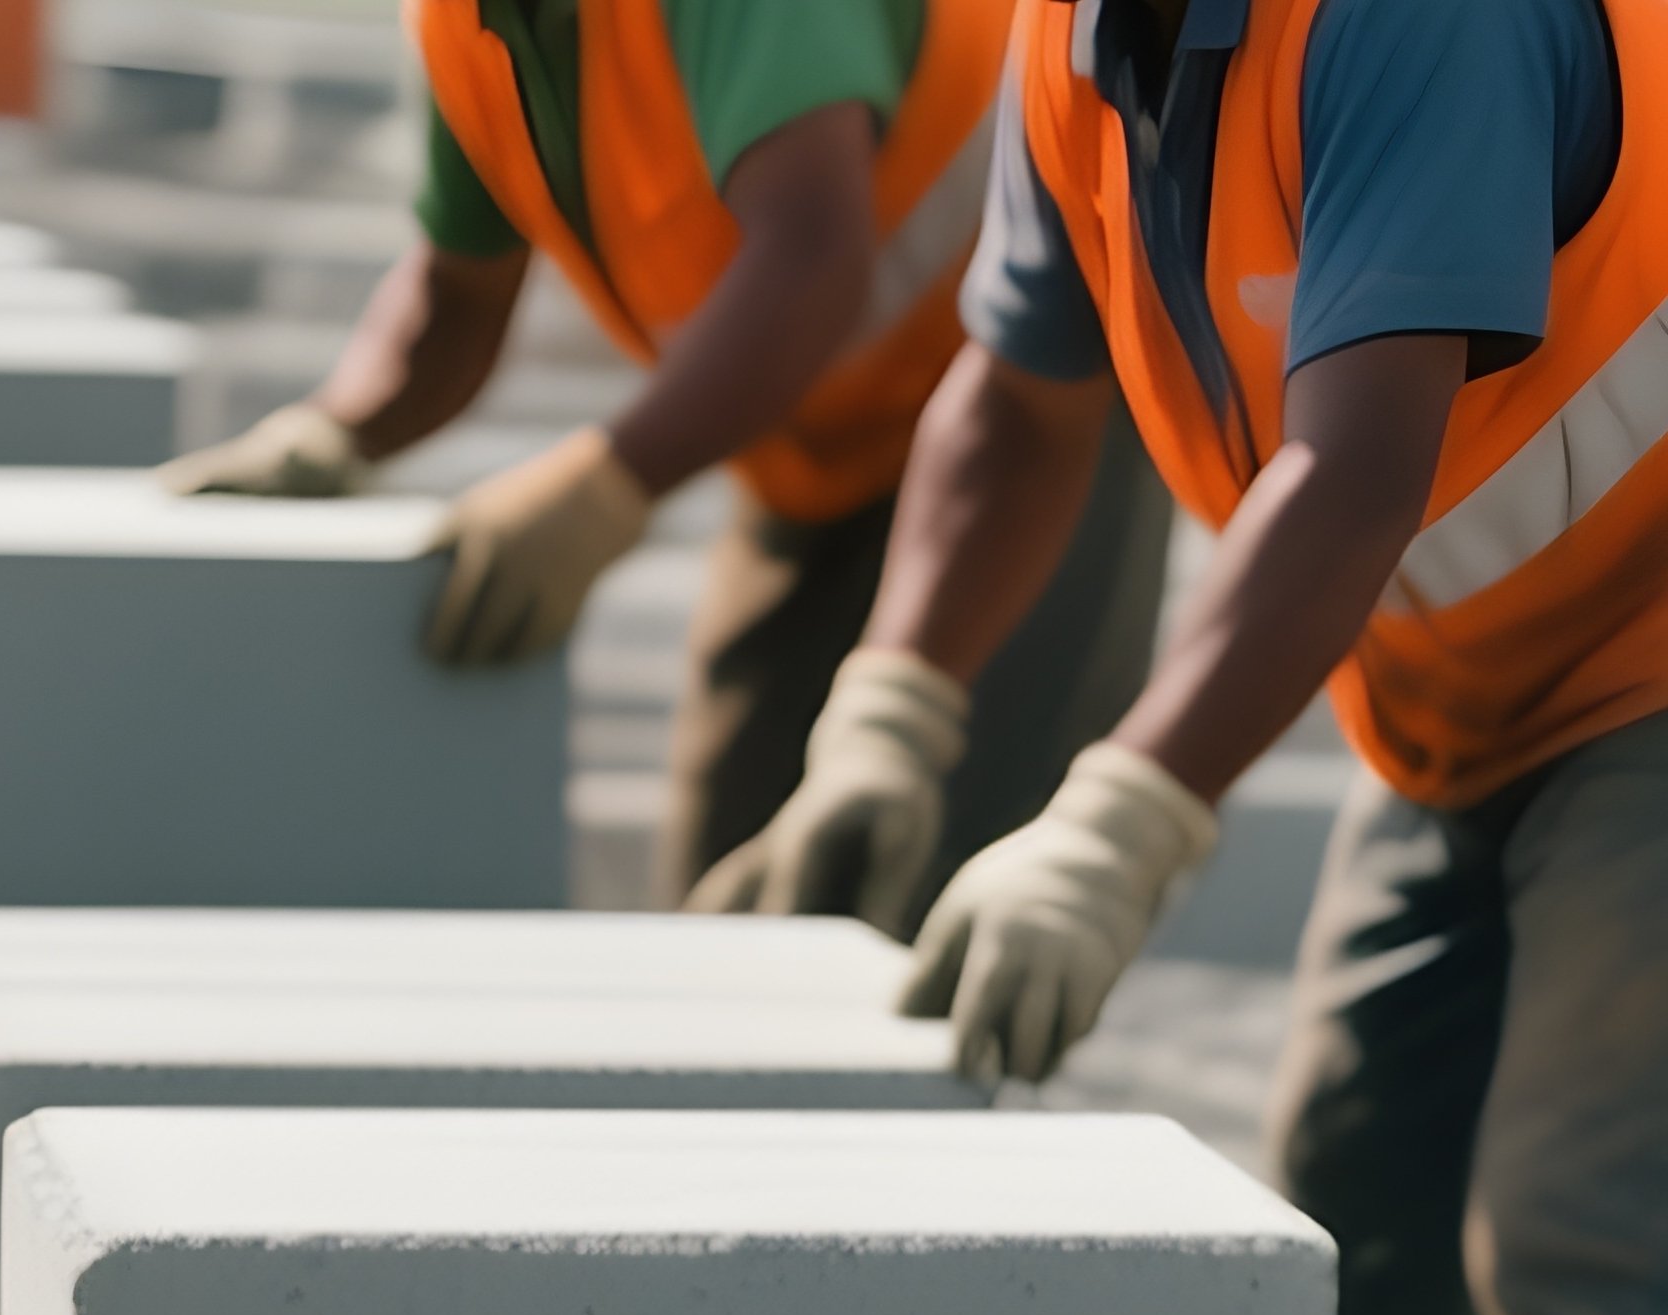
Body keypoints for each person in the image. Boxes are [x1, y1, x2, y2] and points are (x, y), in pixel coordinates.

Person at [711, 0, 1668, 1315]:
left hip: (1649, 672)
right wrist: (890, 710)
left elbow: (1356, 467)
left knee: (1588, 1261)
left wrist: (1123, 824)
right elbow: (1022, 406)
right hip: (1459, 702)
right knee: (1360, 1215)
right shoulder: (1086, 35)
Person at [163, 0, 1171, 914]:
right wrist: (335, 433)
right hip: (806, 458)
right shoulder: (470, 23)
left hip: (1025, 449)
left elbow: (811, 259)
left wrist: (608, 484)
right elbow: (457, 297)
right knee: (723, 904)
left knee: (904, 907)